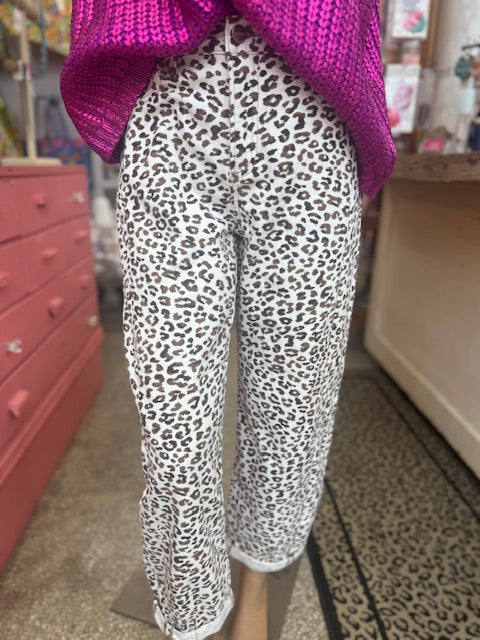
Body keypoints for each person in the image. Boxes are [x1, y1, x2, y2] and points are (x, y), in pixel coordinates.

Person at [60, 2, 396, 639]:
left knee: (293, 401)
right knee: (174, 416)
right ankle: (190, 614)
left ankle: (256, 581)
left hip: (310, 123)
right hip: (171, 118)